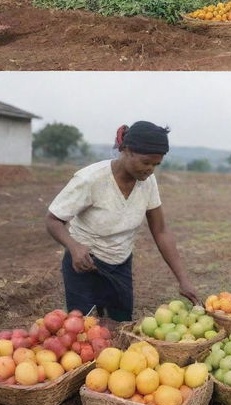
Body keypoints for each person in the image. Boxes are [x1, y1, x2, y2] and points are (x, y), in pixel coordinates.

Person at [45, 121, 198, 320]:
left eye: (156, 164)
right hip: (84, 263)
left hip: (120, 262)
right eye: (146, 162)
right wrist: (74, 247)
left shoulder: (147, 182)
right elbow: (53, 220)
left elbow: (160, 231)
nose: (150, 170)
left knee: (121, 325)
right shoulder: (91, 179)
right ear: (126, 150)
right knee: (83, 329)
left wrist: (183, 280)